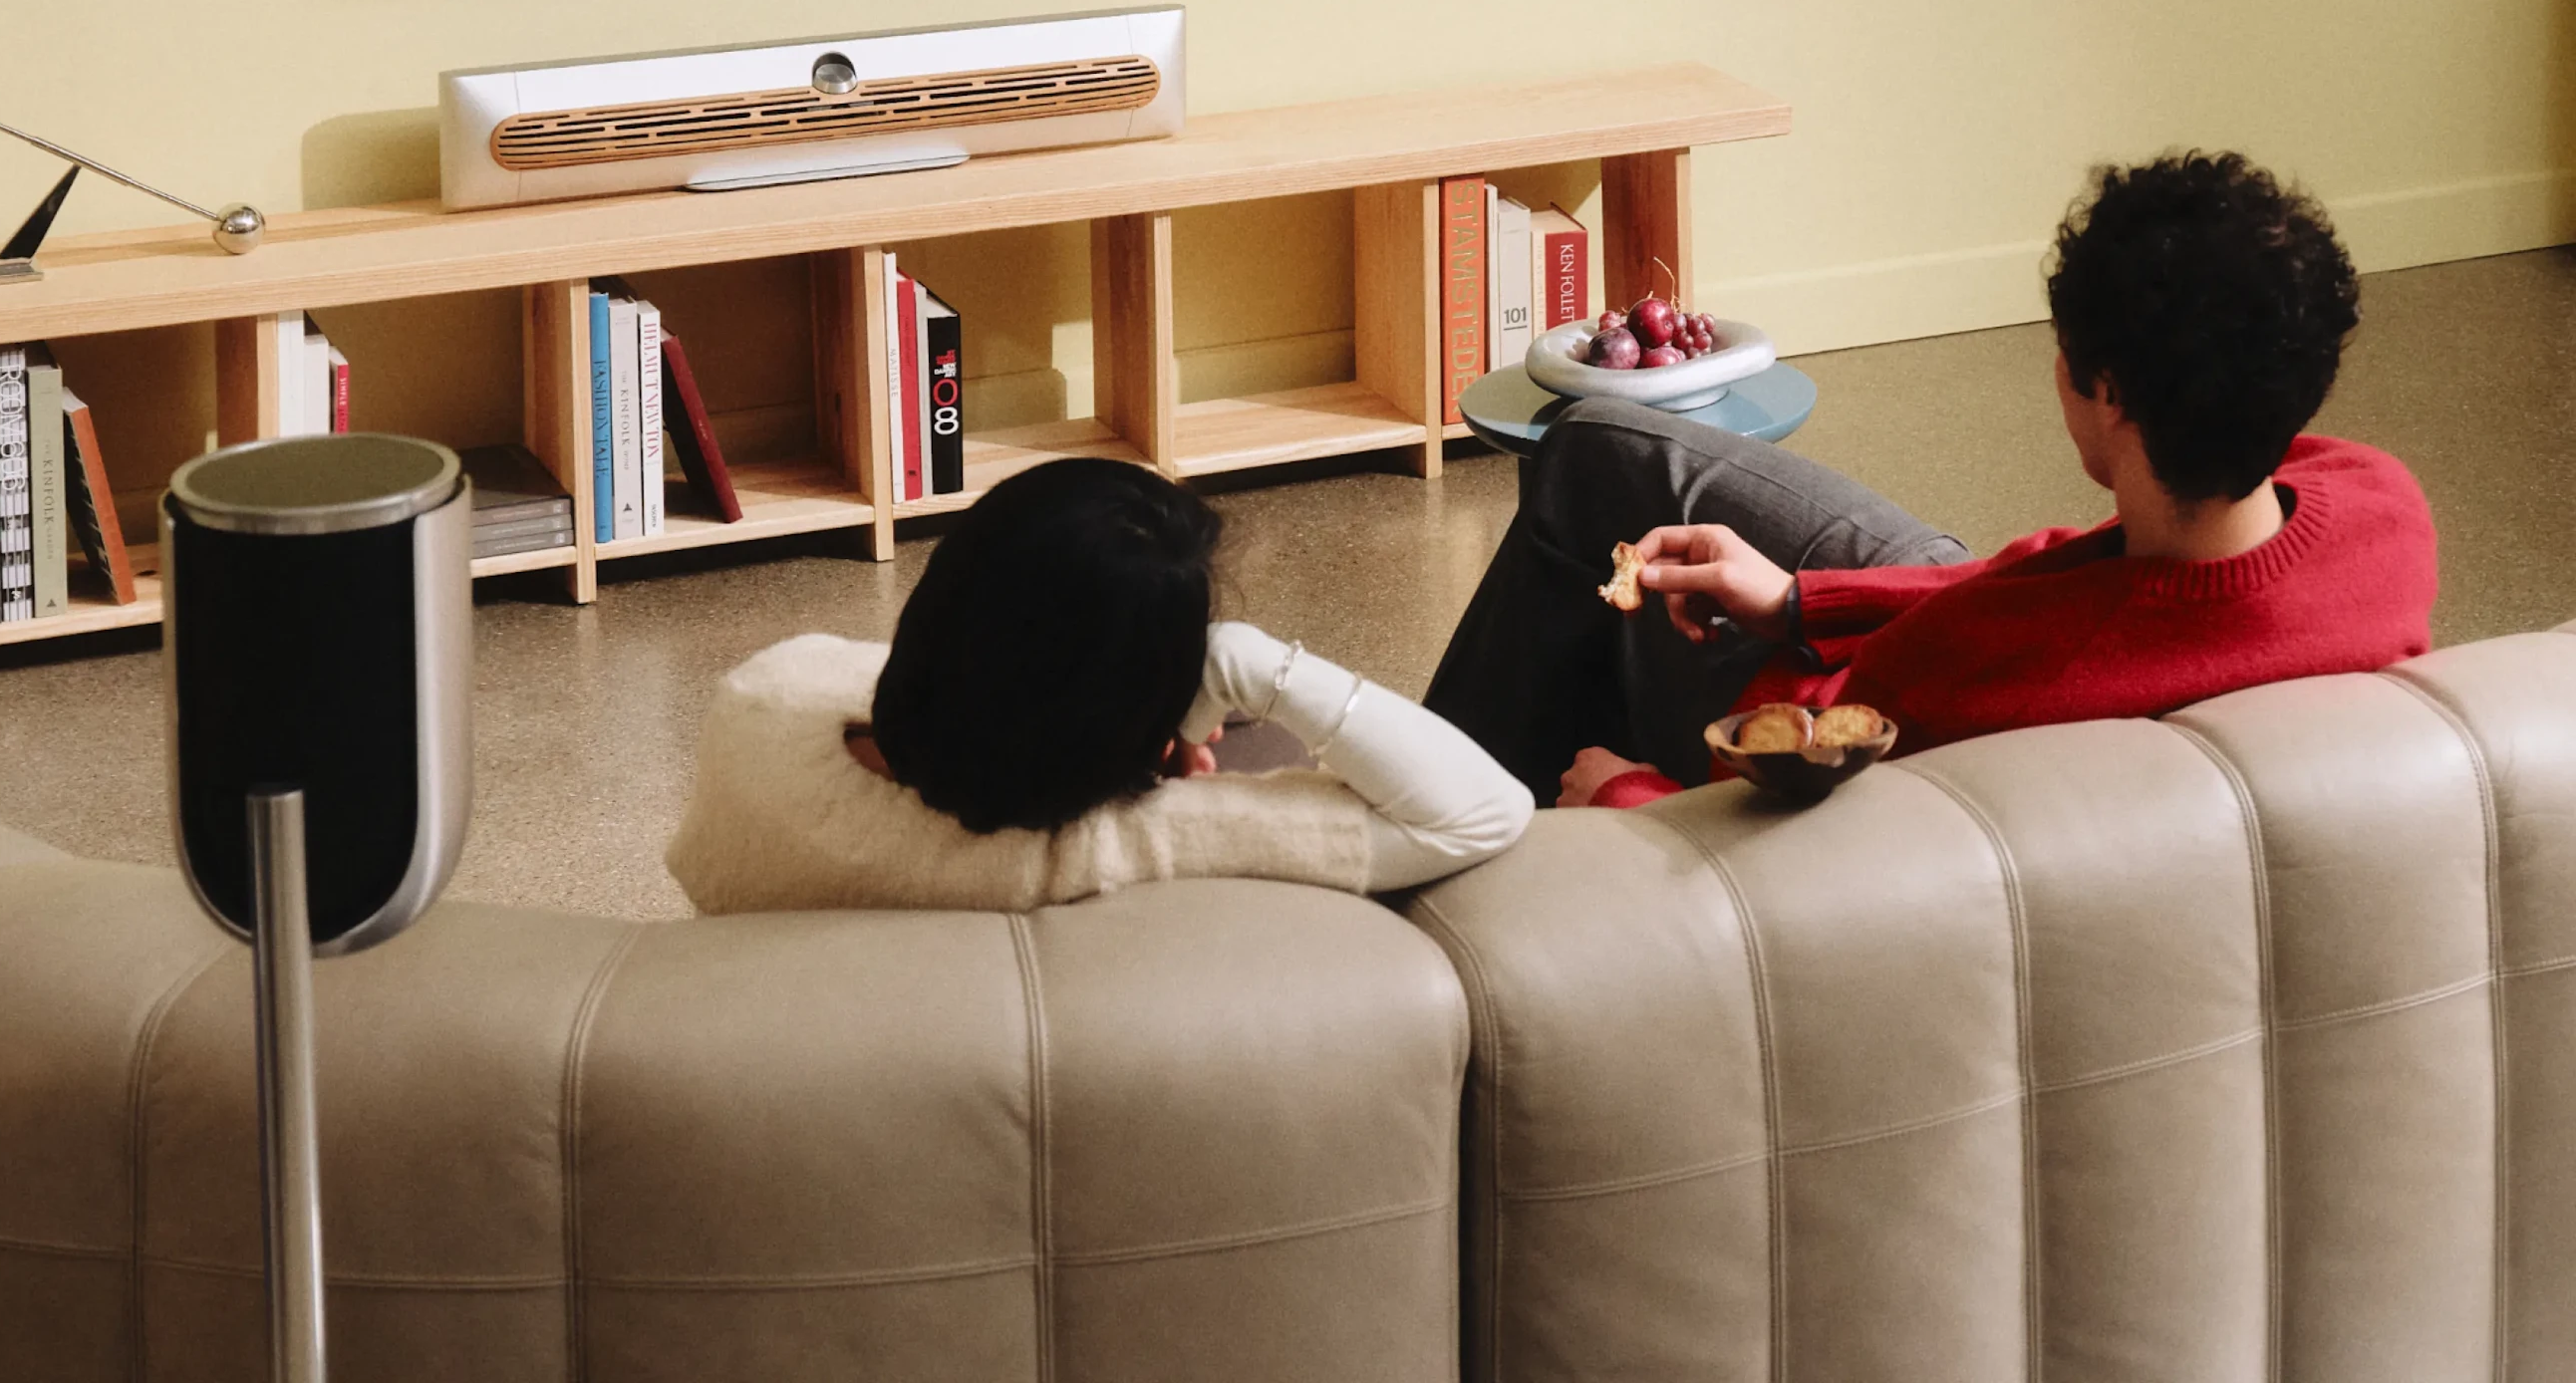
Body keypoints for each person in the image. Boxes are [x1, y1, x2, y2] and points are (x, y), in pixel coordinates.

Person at [1418, 151, 2435, 811]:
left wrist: (1627, 800)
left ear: (2110, 393)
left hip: (1805, 729)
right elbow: (2066, 580)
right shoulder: (2377, 504)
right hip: (1980, 597)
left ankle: (1428, 833)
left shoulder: (1994, 684)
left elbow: (1844, 868)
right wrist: (1800, 599)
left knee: (1583, 475)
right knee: (1603, 446)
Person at [667, 457, 1530, 913]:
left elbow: (966, 673)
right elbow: (1485, 811)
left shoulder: (762, 703)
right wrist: (1237, 659)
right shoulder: (1118, 847)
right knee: (1270, 738)